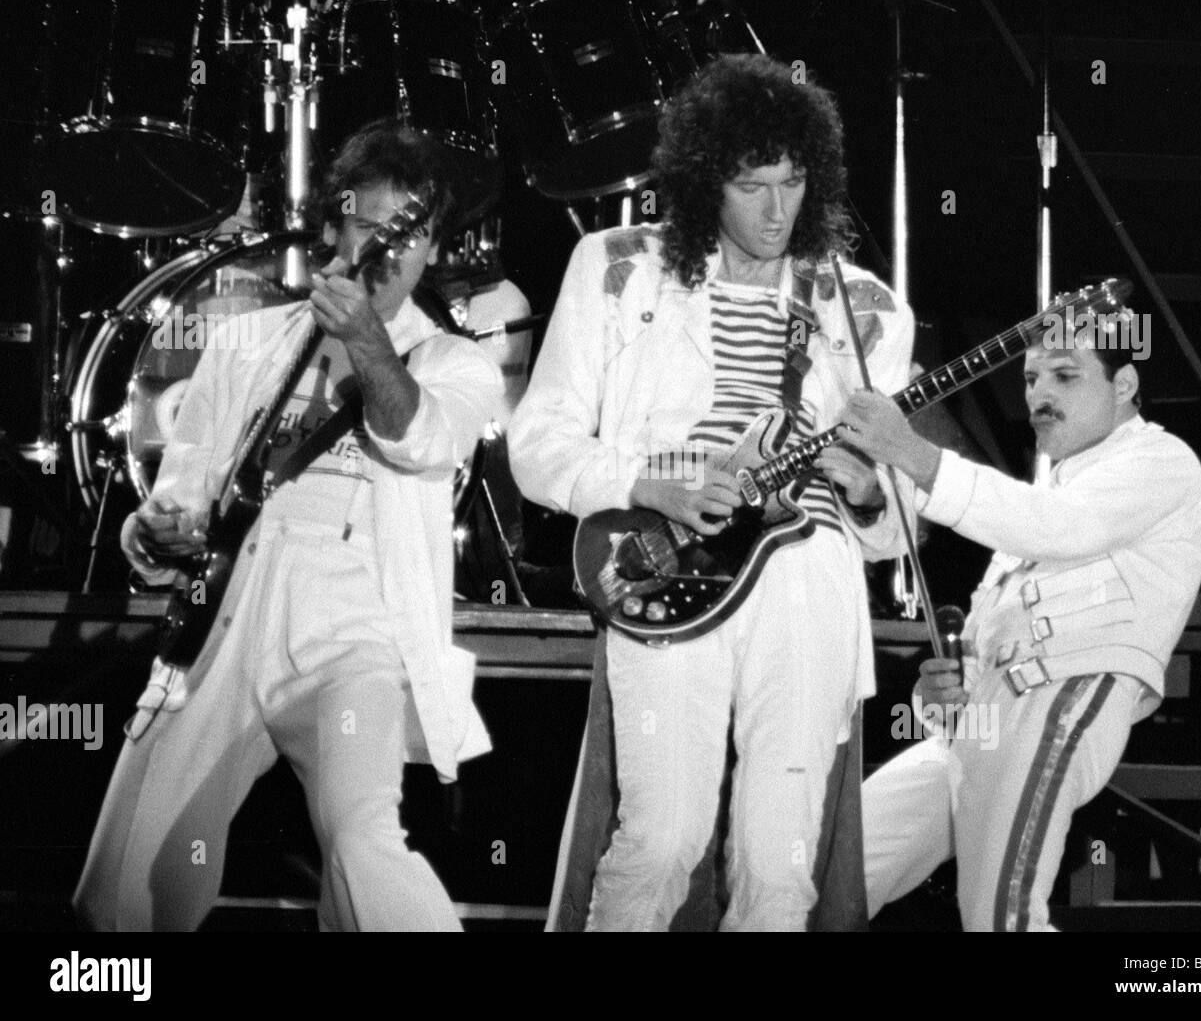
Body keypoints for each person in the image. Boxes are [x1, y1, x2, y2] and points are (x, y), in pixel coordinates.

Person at [509, 54, 916, 931]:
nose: (778, 211)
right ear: (702, 184)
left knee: (778, 866)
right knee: (660, 841)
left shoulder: (867, 310)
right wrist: (644, 483)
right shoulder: (616, 267)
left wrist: (871, 495)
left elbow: (896, 527)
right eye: (751, 185)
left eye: (794, 180)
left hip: (805, 579)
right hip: (668, 565)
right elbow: (536, 444)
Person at [73, 122, 507, 931]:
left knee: (361, 839)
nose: (385, 250)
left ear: (432, 250)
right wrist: (152, 532)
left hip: (354, 635)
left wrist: (367, 341)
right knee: (116, 897)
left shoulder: (455, 363)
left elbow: (420, 439)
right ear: (334, 228)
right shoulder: (241, 344)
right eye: (367, 224)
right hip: (225, 629)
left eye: (406, 235)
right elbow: (182, 497)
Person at [842, 321, 1201, 931]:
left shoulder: (1161, 461)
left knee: (1000, 918)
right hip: (979, 728)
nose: (1040, 394)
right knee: (835, 873)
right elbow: (995, 625)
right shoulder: (1051, 488)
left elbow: (1052, 526)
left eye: (1066, 375)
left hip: (1059, 698)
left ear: (1124, 383)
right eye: (1032, 378)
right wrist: (939, 696)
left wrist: (908, 450)